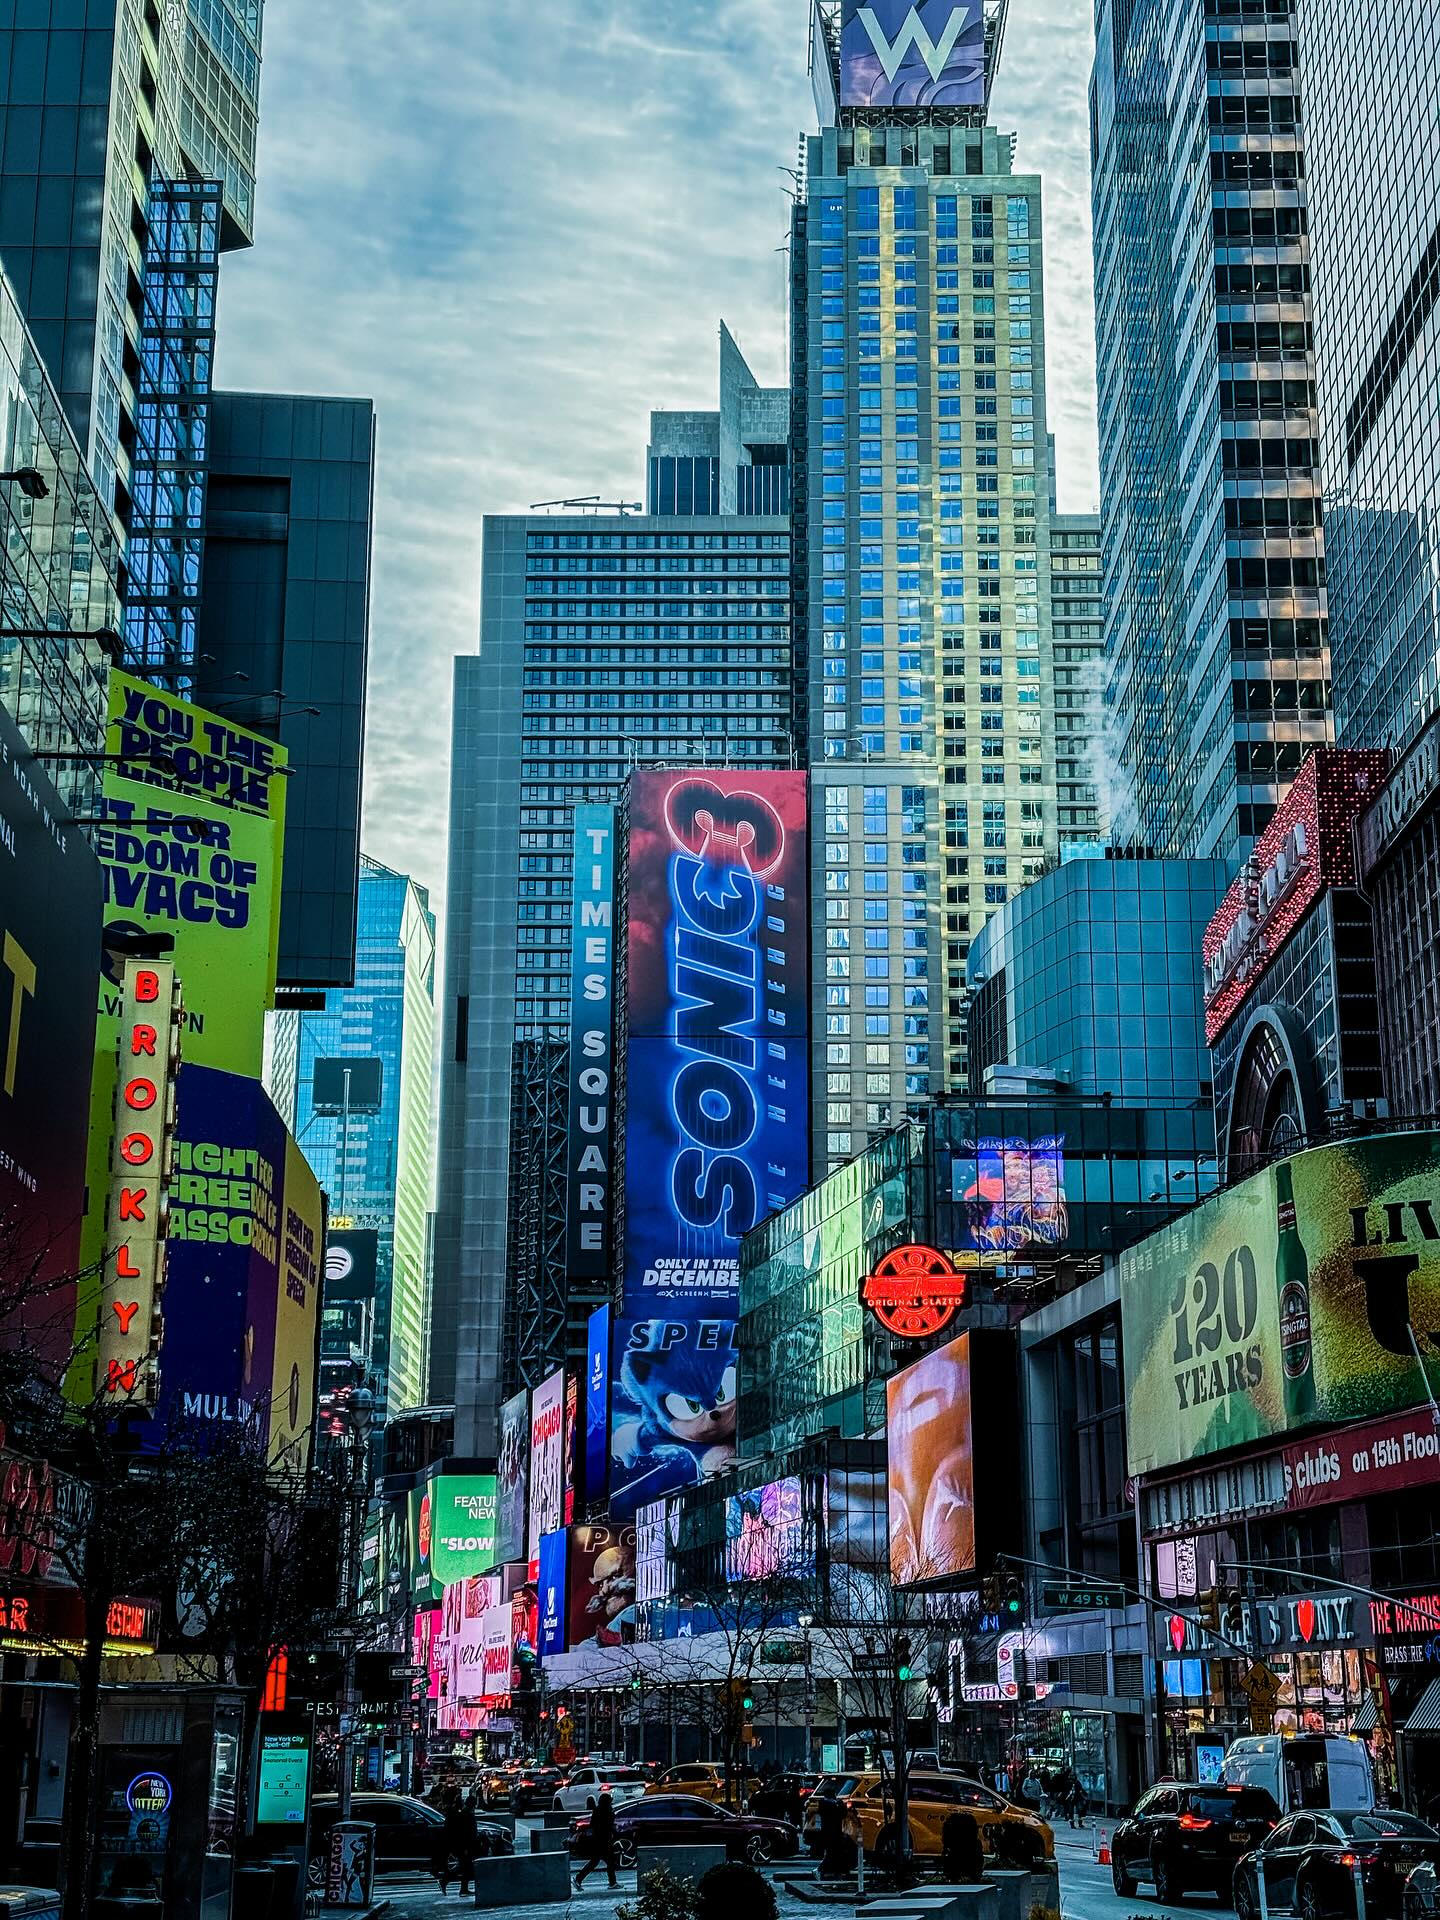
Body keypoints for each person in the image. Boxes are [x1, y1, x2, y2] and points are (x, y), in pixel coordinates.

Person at [575, 1789, 620, 1890]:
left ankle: (579, 1879)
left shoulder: (598, 1810)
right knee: (606, 1861)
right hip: (603, 1841)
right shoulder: (606, 1811)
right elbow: (608, 1826)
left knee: (598, 1862)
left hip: (598, 1840)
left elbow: (592, 1825)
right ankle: (612, 1882)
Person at [440, 1794, 478, 1897]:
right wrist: (466, 1846)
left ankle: (458, 1886)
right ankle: (450, 1882)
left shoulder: (465, 1813)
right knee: (465, 1867)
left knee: (464, 1867)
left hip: (464, 1845)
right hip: (465, 1845)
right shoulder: (466, 1814)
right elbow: (466, 1832)